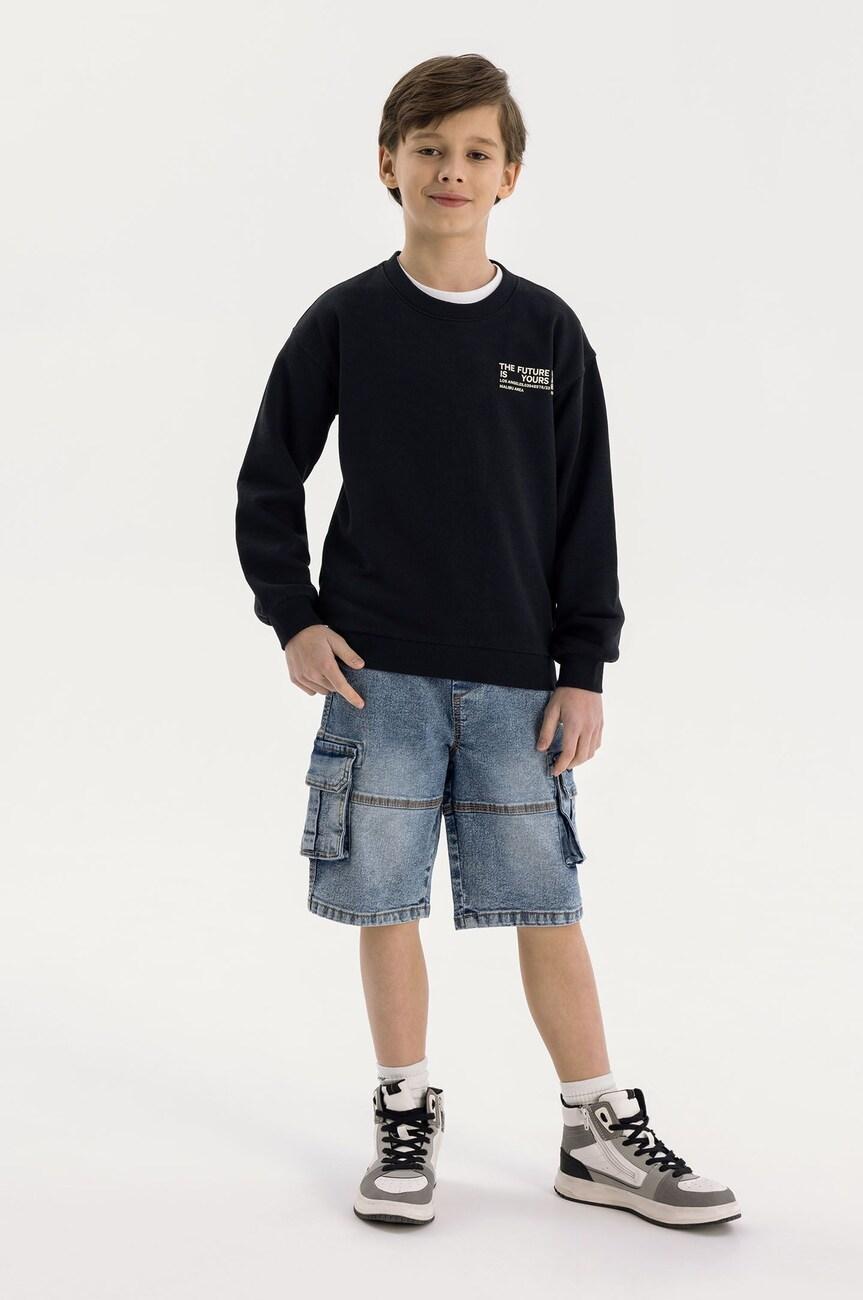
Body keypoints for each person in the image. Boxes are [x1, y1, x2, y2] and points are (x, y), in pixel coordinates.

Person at [235, 53, 739, 1230]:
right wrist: (294, 616)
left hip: (519, 685)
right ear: (388, 164)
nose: (450, 171)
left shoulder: (546, 331)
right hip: (378, 681)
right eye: (429, 150)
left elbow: (584, 510)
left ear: (510, 174)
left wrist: (584, 668)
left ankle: (595, 1130)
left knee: (546, 903)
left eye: (475, 153)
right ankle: (404, 1112)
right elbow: (267, 479)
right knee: (385, 901)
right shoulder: (347, 320)